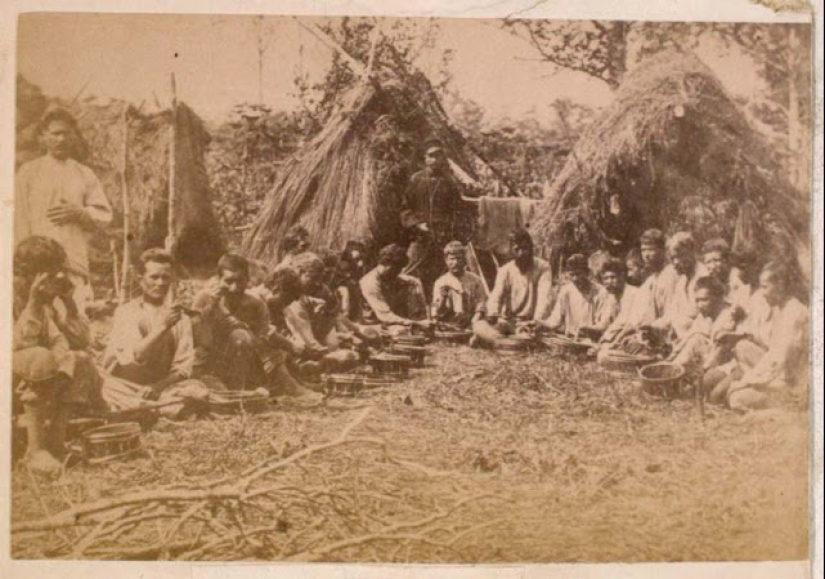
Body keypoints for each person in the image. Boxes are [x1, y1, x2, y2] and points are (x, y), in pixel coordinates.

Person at [12, 236, 105, 475]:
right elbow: (18, 344)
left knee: (80, 360)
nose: (59, 278)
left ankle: (55, 442)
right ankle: (34, 451)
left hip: (37, 379)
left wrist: (69, 304)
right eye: (51, 273)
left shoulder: (46, 301)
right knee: (39, 356)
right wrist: (32, 303)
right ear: (27, 273)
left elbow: (71, 341)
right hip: (15, 381)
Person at [15, 108, 113, 312]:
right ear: (43, 136)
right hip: (37, 265)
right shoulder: (29, 172)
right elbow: (19, 218)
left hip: (73, 264)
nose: (61, 139)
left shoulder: (84, 174)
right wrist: (23, 263)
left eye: (66, 133)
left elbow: (105, 215)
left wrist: (81, 213)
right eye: (55, 133)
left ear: (74, 136)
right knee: (39, 320)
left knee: (74, 319)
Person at [102, 249, 210, 418]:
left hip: (161, 388)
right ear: (140, 279)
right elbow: (132, 358)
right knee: (103, 385)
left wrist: (157, 387)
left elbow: (183, 367)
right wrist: (161, 328)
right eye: (154, 277)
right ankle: (151, 409)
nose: (160, 283)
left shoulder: (180, 318)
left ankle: (142, 409)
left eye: (165, 277)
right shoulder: (126, 312)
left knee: (197, 389)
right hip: (126, 384)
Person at [192, 253, 314, 398]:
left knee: (250, 338)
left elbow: (264, 337)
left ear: (248, 280)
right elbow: (192, 332)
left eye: (240, 281)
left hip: (243, 363)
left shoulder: (255, 304)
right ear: (219, 279)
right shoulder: (205, 297)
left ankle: (245, 389)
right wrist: (210, 306)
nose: (234, 288)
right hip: (210, 360)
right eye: (228, 281)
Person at [711, 262, 808, 411]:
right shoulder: (779, 309)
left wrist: (746, 382)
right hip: (777, 372)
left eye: (765, 287)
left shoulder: (794, 314)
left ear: (780, 285)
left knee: (735, 398)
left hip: (790, 380)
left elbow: (778, 361)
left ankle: (785, 405)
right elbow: (770, 353)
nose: (762, 293)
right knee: (742, 347)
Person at [401, 138, 470, 298]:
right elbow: (405, 208)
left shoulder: (449, 182)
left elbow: (458, 211)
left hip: (442, 237)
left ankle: (441, 308)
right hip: (420, 236)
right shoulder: (416, 180)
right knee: (408, 269)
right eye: (431, 156)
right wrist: (417, 225)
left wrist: (452, 231)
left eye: (439, 156)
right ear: (425, 158)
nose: (435, 160)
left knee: (443, 273)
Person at [473, 229, 552, 345]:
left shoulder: (543, 267)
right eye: (517, 249)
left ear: (531, 249)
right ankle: (504, 341)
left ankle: (498, 342)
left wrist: (537, 321)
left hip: (530, 324)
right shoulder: (505, 270)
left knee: (532, 336)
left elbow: (544, 298)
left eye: (525, 248)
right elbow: (496, 297)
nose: (522, 253)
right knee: (479, 325)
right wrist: (494, 315)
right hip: (508, 323)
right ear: (511, 251)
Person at [286, 252, 362, 371]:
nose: (317, 283)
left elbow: (333, 317)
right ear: (300, 273)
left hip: (315, 340)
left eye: (320, 278)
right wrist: (327, 352)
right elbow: (305, 336)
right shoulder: (290, 295)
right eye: (314, 277)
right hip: (296, 342)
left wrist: (350, 335)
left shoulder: (322, 289)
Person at [668, 276, 742, 397]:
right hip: (709, 358)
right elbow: (689, 335)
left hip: (726, 364)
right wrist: (672, 358)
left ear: (718, 298)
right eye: (697, 301)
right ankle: (671, 373)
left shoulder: (728, 316)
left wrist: (704, 369)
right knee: (696, 338)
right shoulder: (705, 315)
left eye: (704, 300)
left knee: (701, 388)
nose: (699, 305)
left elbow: (720, 353)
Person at [360, 244, 431, 335]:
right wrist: (415, 323)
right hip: (373, 325)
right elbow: (385, 316)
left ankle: (420, 320)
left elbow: (412, 282)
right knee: (400, 331)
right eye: (397, 269)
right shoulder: (370, 282)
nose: (398, 272)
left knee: (413, 281)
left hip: (389, 323)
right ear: (387, 264)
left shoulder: (389, 276)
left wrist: (421, 320)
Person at [539, 254, 612, 340]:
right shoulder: (566, 291)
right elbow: (555, 319)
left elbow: (604, 323)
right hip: (570, 339)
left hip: (591, 341)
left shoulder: (600, 292)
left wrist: (589, 329)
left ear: (587, 273)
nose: (575, 278)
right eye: (572, 275)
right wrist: (541, 324)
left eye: (578, 274)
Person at [647, 232, 700, 339]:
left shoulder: (702, 276)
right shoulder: (682, 280)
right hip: (680, 327)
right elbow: (672, 310)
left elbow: (697, 312)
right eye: (672, 259)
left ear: (691, 253)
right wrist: (653, 326)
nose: (675, 262)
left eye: (679, 256)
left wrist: (673, 322)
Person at [431, 241, 487, 330]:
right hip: (448, 325)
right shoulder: (440, 282)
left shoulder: (475, 280)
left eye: (459, 258)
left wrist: (473, 323)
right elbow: (436, 313)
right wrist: (443, 298)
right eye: (452, 259)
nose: (455, 262)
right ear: (446, 260)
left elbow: (481, 305)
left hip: (472, 324)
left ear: (464, 260)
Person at [598, 257, 644, 344]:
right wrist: (588, 329)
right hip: (618, 338)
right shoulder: (612, 296)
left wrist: (606, 340)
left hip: (633, 338)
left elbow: (624, 323)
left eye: (612, 277)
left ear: (622, 276)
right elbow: (605, 322)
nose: (609, 282)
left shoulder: (633, 293)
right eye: (605, 278)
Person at [699, 238, 751, 309]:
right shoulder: (712, 281)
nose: (713, 266)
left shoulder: (737, 280)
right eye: (708, 262)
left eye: (717, 260)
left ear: (726, 260)